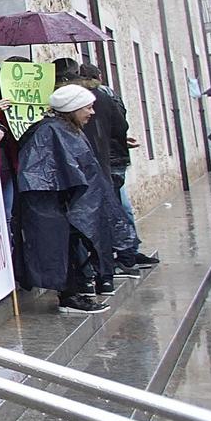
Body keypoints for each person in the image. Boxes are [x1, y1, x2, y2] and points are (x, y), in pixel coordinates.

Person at [14, 84, 117, 315]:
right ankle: (70, 297)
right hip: (58, 207)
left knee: (71, 248)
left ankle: (75, 292)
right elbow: (44, 174)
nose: (91, 113)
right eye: (87, 108)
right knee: (63, 250)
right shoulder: (51, 132)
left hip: (66, 205)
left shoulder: (64, 129)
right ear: (72, 109)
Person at [65, 61, 160, 277]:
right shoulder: (104, 97)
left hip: (103, 164)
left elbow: (115, 128)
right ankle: (120, 260)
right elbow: (119, 126)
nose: (90, 112)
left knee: (110, 212)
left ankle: (117, 261)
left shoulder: (98, 99)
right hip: (107, 164)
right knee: (113, 211)